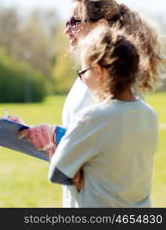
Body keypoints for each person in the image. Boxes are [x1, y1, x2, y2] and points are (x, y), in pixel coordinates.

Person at [11, 0, 164, 206]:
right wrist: (41, 135)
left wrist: (52, 138)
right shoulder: (94, 82)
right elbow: (89, 139)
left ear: (101, 25)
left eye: (75, 21)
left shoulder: (110, 87)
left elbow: (108, 141)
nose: (67, 30)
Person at [49, 26, 158, 207]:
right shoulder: (149, 115)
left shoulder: (93, 118)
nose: (83, 80)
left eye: (83, 73)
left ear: (99, 71)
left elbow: (58, 172)